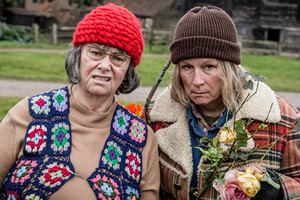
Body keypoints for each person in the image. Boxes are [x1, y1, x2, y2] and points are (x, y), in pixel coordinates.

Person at [0, 3, 160, 200]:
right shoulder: (30, 113)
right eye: (95, 53)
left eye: (118, 58)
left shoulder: (141, 139)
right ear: (78, 55)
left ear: (128, 70)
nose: (104, 65)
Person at [146, 6, 300, 200]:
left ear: (229, 68)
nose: (196, 80)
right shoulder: (155, 117)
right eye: (187, 67)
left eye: (208, 67)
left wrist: (279, 191)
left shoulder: (281, 121)